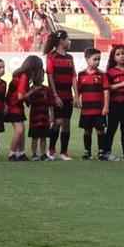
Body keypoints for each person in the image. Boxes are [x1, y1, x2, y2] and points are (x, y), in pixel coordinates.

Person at [8, 56, 47, 162]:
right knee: (19, 130)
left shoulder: (21, 75)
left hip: (16, 106)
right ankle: (12, 153)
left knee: (22, 130)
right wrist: (33, 91)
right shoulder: (24, 76)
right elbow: (20, 96)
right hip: (13, 106)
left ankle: (21, 153)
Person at [43, 31, 74, 161]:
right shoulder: (51, 57)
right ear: (61, 41)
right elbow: (50, 77)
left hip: (68, 96)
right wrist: (55, 96)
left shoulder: (70, 57)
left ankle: (64, 152)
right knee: (57, 122)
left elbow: (73, 76)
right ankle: (51, 150)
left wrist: (76, 95)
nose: (70, 42)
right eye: (68, 39)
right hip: (57, 95)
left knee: (66, 123)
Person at [102, 44, 124, 161]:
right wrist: (122, 84)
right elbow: (107, 88)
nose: (121, 56)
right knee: (111, 128)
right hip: (114, 104)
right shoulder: (110, 72)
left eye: (123, 53)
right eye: (118, 54)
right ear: (113, 57)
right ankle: (106, 152)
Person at [75, 48, 109, 160]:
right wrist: (77, 99)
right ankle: (87, 151)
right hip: (86, 109)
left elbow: (106, 91)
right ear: (87, 59)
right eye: (95, 59)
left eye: (99, 59)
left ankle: (101, 151)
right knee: (87, 130)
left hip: (99, 109)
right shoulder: (81, 75)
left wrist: (106, 106)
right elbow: (78, 91)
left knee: (100, 130)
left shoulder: (102, 75)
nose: (97, 61)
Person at [26, 60, 55, 161]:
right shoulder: (30, 89)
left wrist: (52, 118)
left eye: (42, 76)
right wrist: (31, 92)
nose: (41, 78)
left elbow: (51, 105)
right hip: (34, 118)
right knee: (35, 137)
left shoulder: (46, 90)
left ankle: (43, 154)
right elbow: (27, 102)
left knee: (43, 137)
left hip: (44, 118)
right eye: (39, 76)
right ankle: (34, 154)